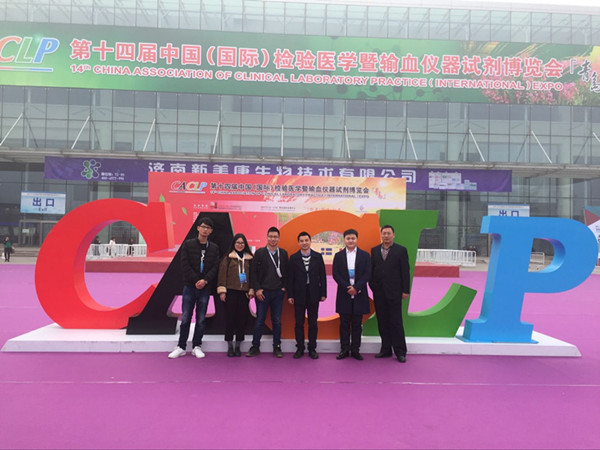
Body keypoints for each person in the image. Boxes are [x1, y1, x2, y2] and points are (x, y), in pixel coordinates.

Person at [168, 217, 220, 359]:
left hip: (205, 288)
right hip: (190, 287)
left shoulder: (214, 248)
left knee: (201, 318)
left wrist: (205, 280)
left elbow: (215, 267)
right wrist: (197, 280)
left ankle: (197, 346)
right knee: (185, 317)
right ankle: (181, 346)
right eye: (203, 226)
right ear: (198, 228)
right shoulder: (188, 244)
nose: (205, 230)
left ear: (211, 231)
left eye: (208, 228)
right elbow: (185, 265)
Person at [370, 224, 411, 363]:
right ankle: (385, 349)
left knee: (396, 322)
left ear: (393, 235)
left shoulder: (401, 250)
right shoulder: (375, 250)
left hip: (395, 292)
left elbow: (405, 272)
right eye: (384, 233)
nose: (386, 236)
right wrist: (373, 286)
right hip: (379, 292)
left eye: (389, 233)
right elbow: (372, 270)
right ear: (381, 235)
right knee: (382, 321)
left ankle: (400, 351)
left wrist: (405, 290)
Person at [247, 226, 289, 358]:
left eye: (275, 237)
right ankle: (255, 346)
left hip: (278, 293)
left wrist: (284, 287)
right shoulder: (260, 253)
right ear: (267, 237)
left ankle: (277, 346)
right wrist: (257, 289)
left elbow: (287, 272)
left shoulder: (283, 253)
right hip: (262, 293)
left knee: (276, 320)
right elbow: (253, 272)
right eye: (270, 236)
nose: (273, 239)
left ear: (279, 238)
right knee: (260, 320)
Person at [332, 229, 371, 361]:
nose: (350, 240)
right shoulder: (338, 256)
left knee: (357, 324)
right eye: (348, 238)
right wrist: (347, 288)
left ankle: (355, 350)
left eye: (353, 238)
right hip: (344, 294)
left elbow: (367, 273)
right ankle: (344, 349)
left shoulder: (365, 255)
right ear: (344, 240)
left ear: (357, 239)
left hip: (359, 294)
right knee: (344, 323)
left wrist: (356, 287)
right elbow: (336, 274)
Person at [287, 231, 327, 359]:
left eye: (306, 240)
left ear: (310, 241)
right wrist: (290, 295)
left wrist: (323, 293)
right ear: (298, 243)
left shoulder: (318, 257)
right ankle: (300, 348)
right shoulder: (293, 258)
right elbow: (290, 278)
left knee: (313, 323)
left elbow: (323, 277)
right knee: (299, 323)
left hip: (314, 293)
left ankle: (312, 348)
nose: (304, 243)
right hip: (298, 294)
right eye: (301, 241)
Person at [217, 233, 254, 357]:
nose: (240, 245)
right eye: (238, 242)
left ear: (245, 244)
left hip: (244, 294)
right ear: (234, 244)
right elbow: (222, 275)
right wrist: (222, 291)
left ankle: (238, 345)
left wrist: (251, 290)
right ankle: (230, 345)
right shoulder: (227, 258)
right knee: (230, 318)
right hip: (230, 292)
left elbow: (253, 276)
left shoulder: (250, 259)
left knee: (241, 319)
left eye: (242, 243)